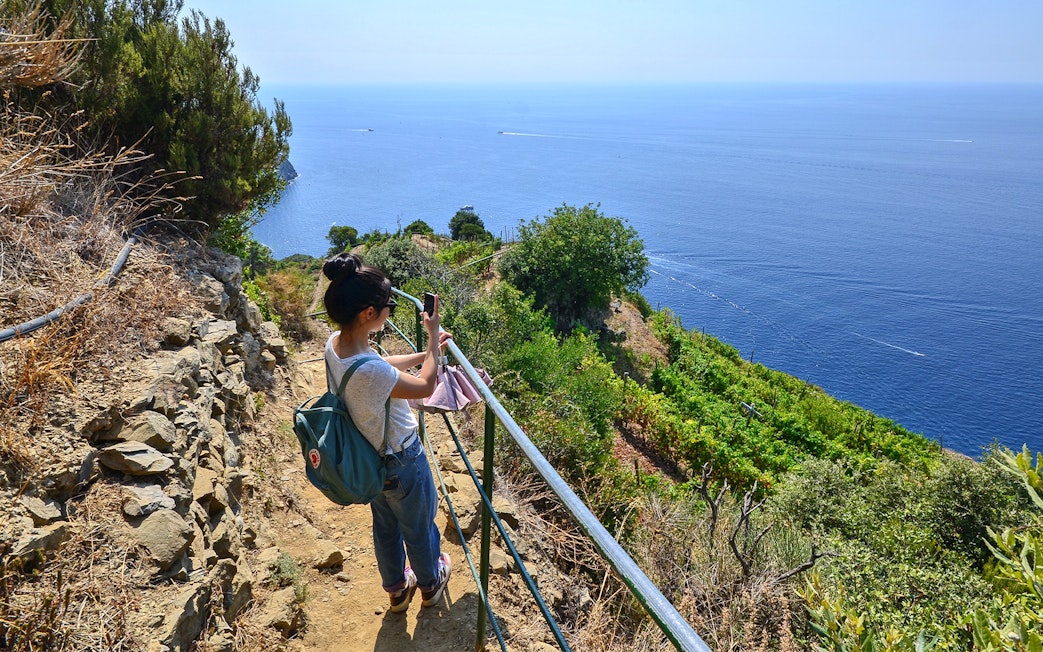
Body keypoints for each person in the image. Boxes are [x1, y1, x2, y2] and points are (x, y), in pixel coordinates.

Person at [321, 252, 452, 613]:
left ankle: (396, 590)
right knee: (420, 526)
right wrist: (433, 337)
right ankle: (430, 583)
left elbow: (377, 365)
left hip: (368, 457)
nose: (390, 310)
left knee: (386, 526)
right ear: (368, 313)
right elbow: (425, 386)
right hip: (402, 458)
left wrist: (422, 352)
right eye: (387, 305)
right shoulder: (371, 372)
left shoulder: (335, 344)